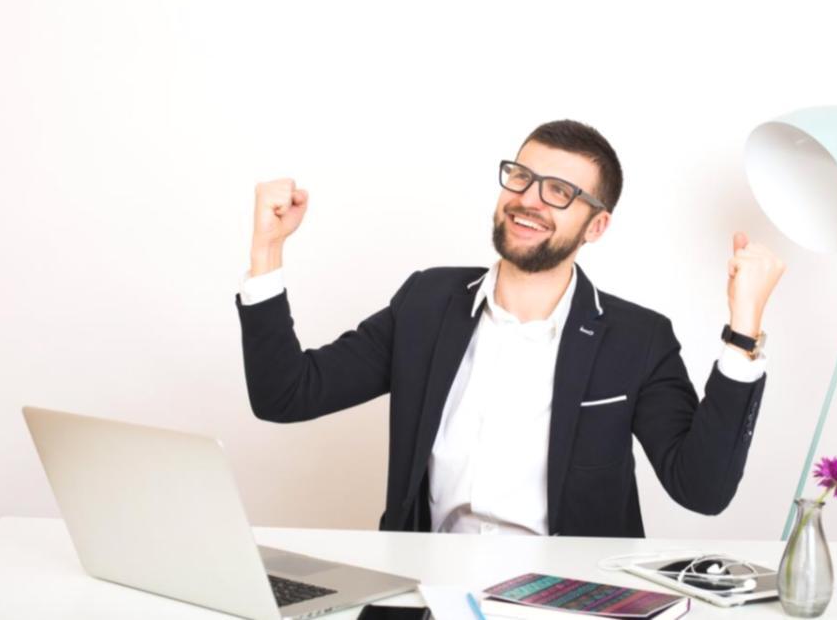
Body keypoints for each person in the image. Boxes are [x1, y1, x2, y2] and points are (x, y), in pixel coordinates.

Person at [235, 119, 785, 538]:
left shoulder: (638, 340)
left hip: (566, 606)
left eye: (560, 192)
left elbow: (702, 489)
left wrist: (743, 332)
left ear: (596, 226)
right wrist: (267, 249)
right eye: (522, 177)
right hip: (431, 597)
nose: (529, 200)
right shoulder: (426, 303)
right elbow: (286, 394)